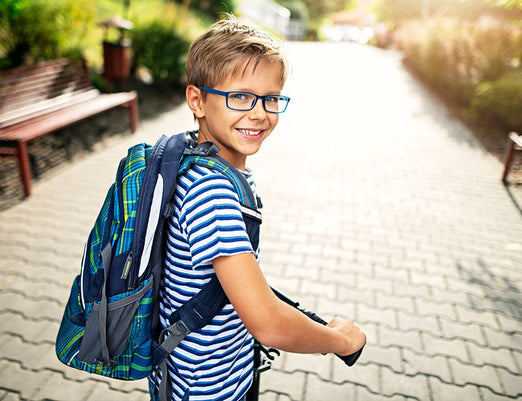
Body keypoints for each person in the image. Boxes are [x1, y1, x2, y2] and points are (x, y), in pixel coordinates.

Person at [153, 16, 366, 401]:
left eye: (271, 98)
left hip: (203, 373)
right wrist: (339, 340)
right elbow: (268, 324)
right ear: (197, 100)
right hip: (207, 388)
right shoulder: (211, 192)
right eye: (240, 96)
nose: (259, 113)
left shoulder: (197, 160)